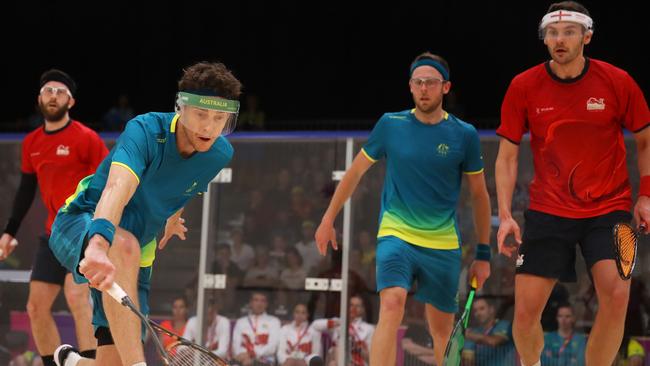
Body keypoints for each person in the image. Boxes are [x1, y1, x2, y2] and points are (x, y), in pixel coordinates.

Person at [49, 61, 243, 366]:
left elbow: (187, 186)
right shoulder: (145, 130)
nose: (209, 126)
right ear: (181, 108)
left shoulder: (220, 153)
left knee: (112, 362)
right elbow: (117, 187)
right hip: (82, 222)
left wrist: (172, 217)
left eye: (220, 118)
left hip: (137, 253)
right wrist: (99, 244)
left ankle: (71, 361)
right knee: (123, 246)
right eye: (201, 114)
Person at [495, 1, 650, 365]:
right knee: (524, 317)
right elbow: (506, 156)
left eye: (568, 32)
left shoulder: (618, 82)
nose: (559, 39)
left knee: (616, 296)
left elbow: (645, 140)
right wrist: (505, 215)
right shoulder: (523, 86)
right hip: (548, 211)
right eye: (552, 33)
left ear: (587, 36)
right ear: (545, 39)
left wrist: (645, 196)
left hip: (608, 209)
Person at [315, 52, 492, 366]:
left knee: (441, 329)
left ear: (446, 87)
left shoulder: (464, 135)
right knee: (392, 304)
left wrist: (483, 253)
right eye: (418, 82)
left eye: (431, 83)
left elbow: (479, 196)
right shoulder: (390, 124)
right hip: (397, 234)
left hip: (443, 244)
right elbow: (354, 173)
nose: (424, 88)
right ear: (411, 86)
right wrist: (328, 218)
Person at [0, 69, 108, 366]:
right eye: (48, 90)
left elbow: (108, 184)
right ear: (39, 99)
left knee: (77, 300)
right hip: (51, 237)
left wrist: (100, 230)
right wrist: (10, 231)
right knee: (36, 306)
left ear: (70, 102)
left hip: (83, 235)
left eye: (61, 92)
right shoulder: (31, 143)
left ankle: (88, 362)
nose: (54, 96)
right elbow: (25, 189)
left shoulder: (87, 139)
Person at [311, 294, 375, 366]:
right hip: (338, 359)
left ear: (363, 309)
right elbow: (315, 325)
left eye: (357, 306)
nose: (353, 308)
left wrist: (356, 348)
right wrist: (338, 322)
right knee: (333, 359)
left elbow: (372, 358)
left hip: (358, 362)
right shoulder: (337, 323)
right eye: (351, 305)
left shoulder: (369, 328)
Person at [232, 292, 281, 366]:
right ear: (251, 303)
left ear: (266, 304)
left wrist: (252, 354)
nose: (259, 304)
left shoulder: (274, 321)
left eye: (262, 301)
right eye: (256, 300)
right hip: (242, 358)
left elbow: (272, 347)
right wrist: (244, 356)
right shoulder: (241, 322)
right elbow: (235, 346)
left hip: (265, 360)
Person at [462, 297, 515, 366]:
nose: (478, 313)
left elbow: (494, 341)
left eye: (482, 308)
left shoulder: (504, 325)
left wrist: (467, 334)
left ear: (491, 309)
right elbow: (467, 360)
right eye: (475, 310)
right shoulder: (474, 331)